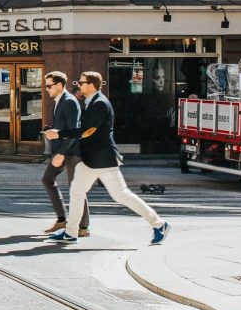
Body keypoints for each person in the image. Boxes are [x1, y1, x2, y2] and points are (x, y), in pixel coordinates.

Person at [45, 71, 169, 245]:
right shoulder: (92, 102)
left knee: (121, 195)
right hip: (91, 158)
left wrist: (60, 134)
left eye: (81, 83)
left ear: (92, 84)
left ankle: (159, 224)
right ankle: (71, 233)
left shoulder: (100, 104)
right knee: (77, 191)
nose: (78, 85)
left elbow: (89, 130)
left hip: (102, 158)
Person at [40, 71, 89, 237]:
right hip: (63, 150)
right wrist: (50, 131)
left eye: (49, 85)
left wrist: (61, 153)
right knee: (47, 179)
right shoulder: (58, 101)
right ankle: (62, 219)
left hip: (73, 152)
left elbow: (74, 131)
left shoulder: (69, 101)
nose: (47, 89)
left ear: (60, 85)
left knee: (77, 188)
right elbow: (64, 128)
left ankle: (83, 228)